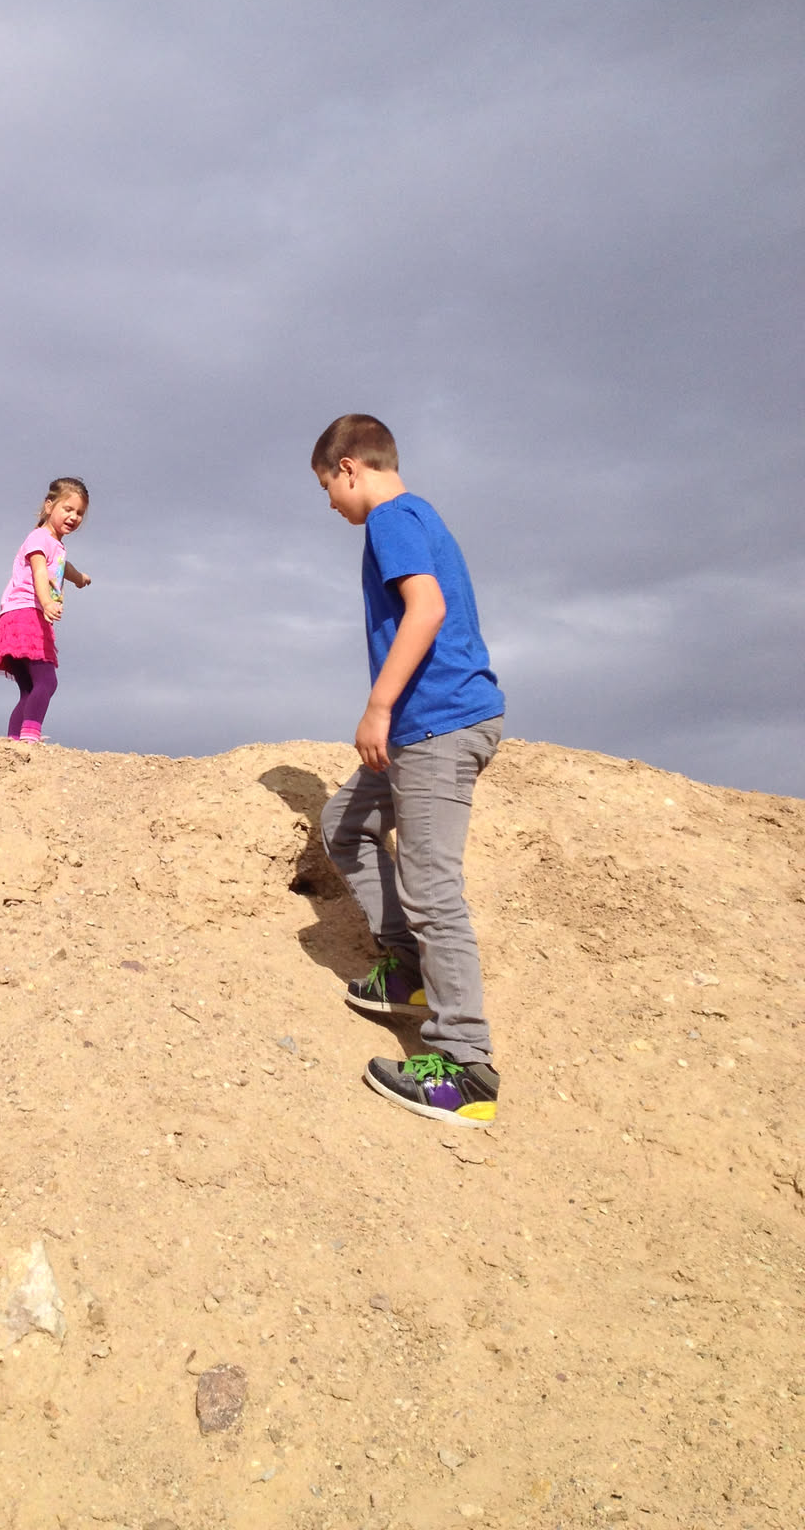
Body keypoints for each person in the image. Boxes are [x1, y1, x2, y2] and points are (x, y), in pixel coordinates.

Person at [311, 414, 506, 1126]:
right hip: (430, 724)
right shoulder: (418, 515)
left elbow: (426, 609)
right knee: (345, 824)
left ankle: (465, 1068)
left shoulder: (391, 517)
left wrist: (378, 706)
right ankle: (411, 973)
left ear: (350, 467)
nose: (331, 503)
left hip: (437, 723)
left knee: (431, 890)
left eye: (327, 486)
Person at [0, 477, 92, 744]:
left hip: (14, 618)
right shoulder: (39, 538)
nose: (73, 517)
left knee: (29, 689)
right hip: (27, 615)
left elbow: (63, 567)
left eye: (79, 513)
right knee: (47, 682)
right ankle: (30, 736)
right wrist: (47, 602)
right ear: (49, 506)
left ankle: (14, 741)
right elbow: (39, 571)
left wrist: (79, 578)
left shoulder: (55, 545)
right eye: (67, 509)